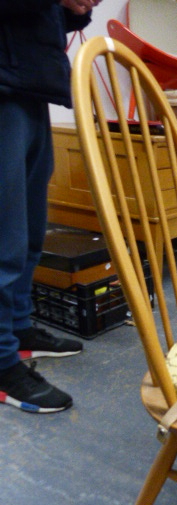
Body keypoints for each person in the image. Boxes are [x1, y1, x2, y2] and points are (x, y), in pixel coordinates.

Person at [0, 0, 103, 414]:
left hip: (29, 84)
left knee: (30, 233)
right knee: (4, 240)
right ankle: (3, 361)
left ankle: (18, 329)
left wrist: (77, 9)